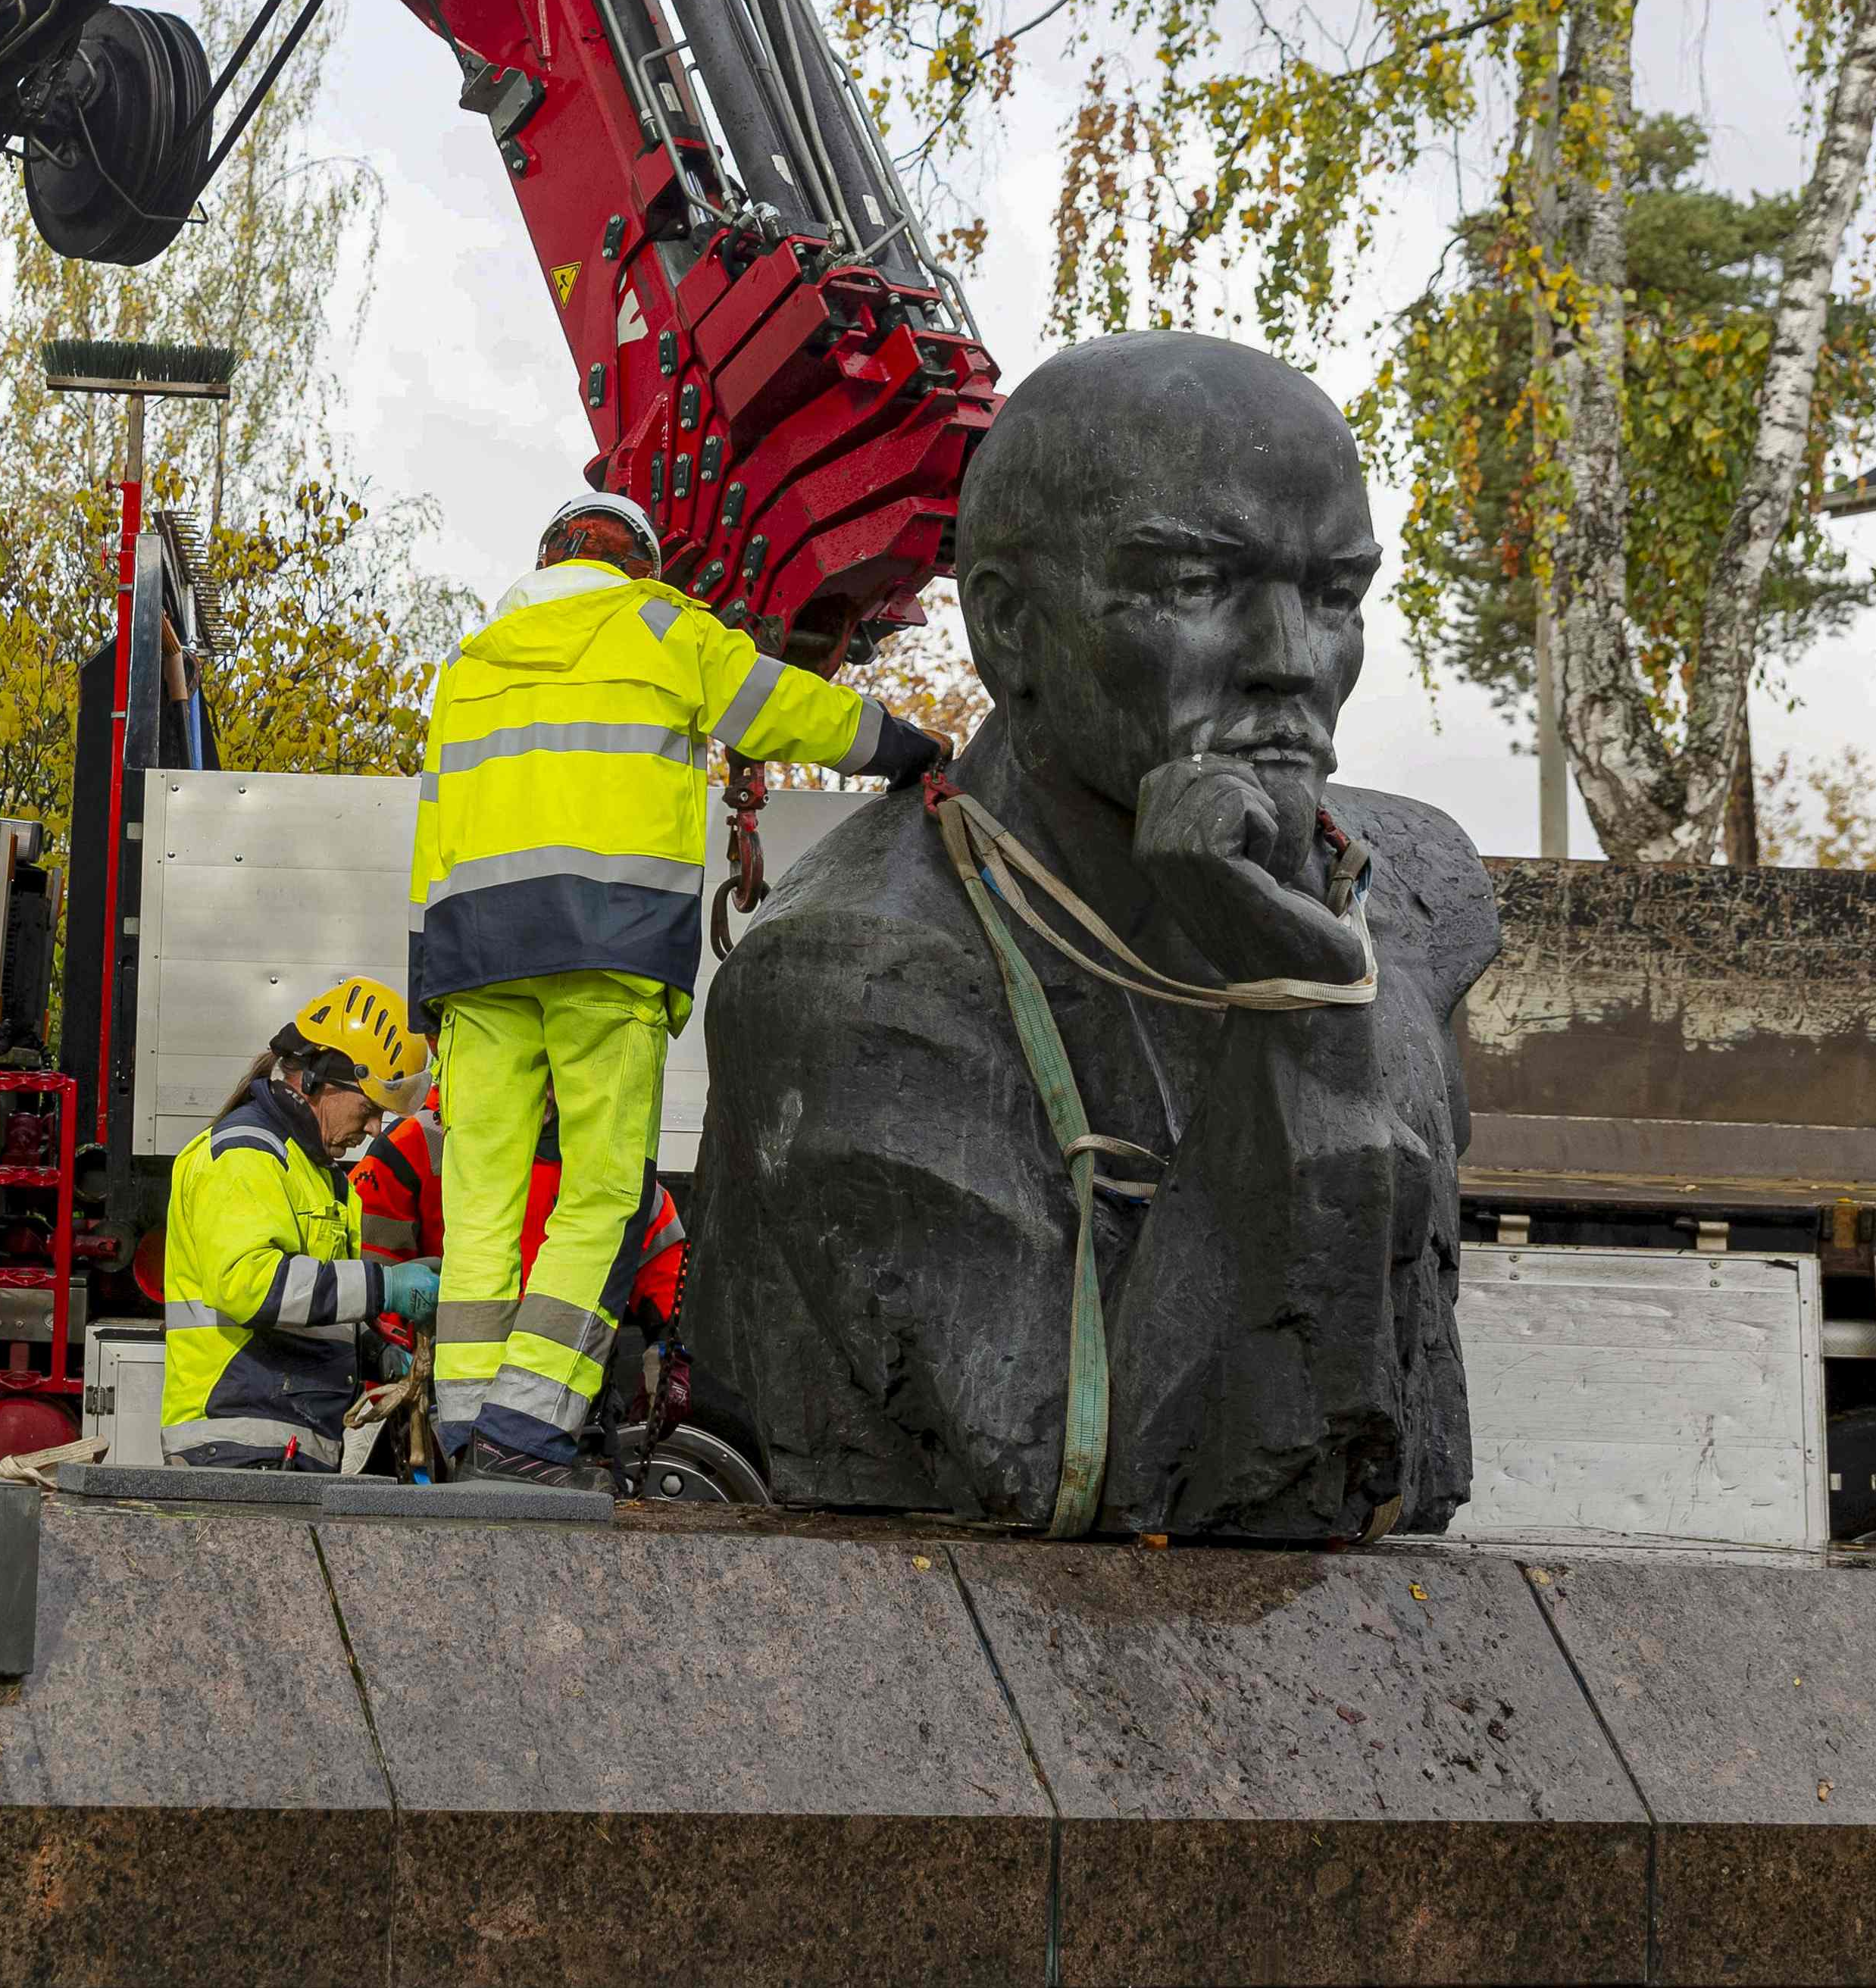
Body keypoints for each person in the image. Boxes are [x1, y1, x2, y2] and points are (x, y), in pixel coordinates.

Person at [683, 333, 1501, 1540]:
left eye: (1335, 595)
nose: (1292, 663)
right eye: (1196, 585)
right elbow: (1103, 1489)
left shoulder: (1420, 890)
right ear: (1007, 626)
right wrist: (1297, 1009)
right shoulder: (854, 984)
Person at [405, 491, 948, 1484]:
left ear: (550, 557)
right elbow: (785, 707)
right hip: (605, 947)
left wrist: (423, 980)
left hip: (474, 962)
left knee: (478, 1200)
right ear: (640, 564)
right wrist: (906, 749)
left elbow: (432, 822)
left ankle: (463, 1428)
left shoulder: (470, 661)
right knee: (601, 1194)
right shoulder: (660, 626)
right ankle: (523, 1432)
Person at [158, 977, 440, 1470]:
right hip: (239, 1444)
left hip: (279, 1445)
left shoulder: (313, 1172)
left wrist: (369, 1349)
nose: (374, 1128)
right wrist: (385, 1287)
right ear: (318, 1081)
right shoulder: (245, 1156)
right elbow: (250, 1284)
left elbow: (308, 1306)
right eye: (369, 1108)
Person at [355, 1083, 689, 1468]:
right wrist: (385, 1364)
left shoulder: (597, 1147)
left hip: (570, 1409)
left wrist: (666, 1350)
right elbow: (374, 1271)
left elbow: (657, 1239)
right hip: (444, 1410)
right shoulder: (423, 1142)